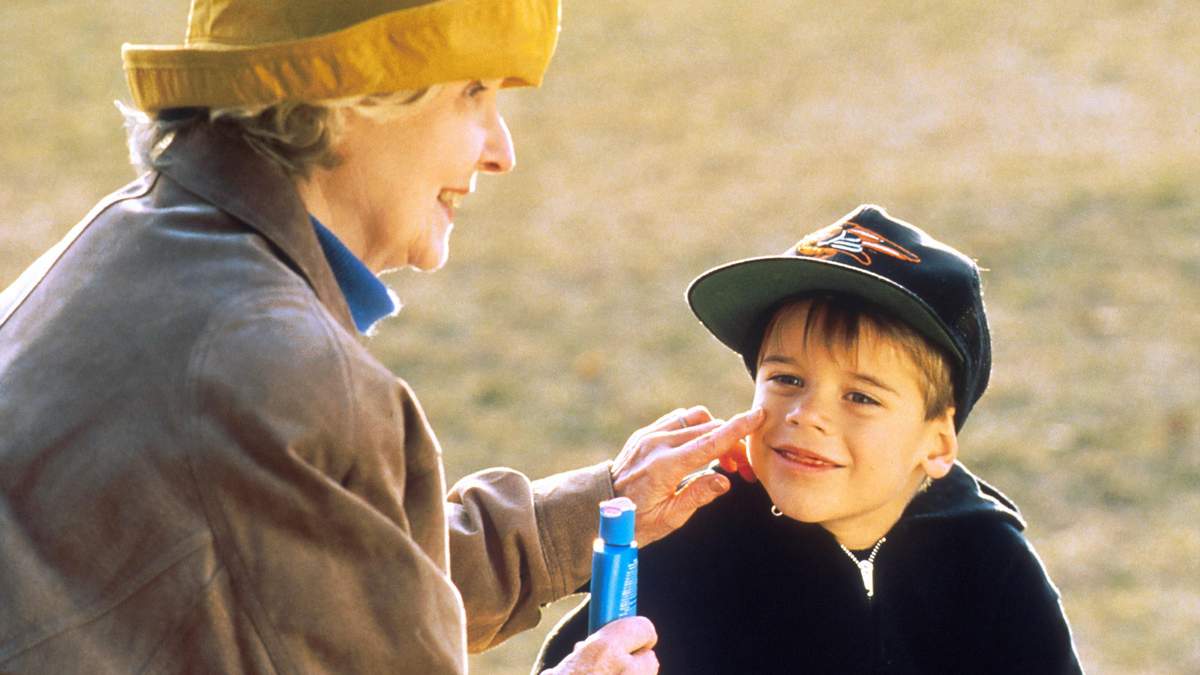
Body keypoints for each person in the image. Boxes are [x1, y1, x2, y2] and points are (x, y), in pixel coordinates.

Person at [0, 1, 763, 672]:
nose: (502, 151)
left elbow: (322, 587)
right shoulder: (287, 367)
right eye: (473, 94)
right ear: (352, 98)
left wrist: (595, 506)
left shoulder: (127, 242)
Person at [538, 205, 1084, 673]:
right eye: (787, 379)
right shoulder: (693, 541)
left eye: (861, 396)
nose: (806, 415)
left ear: (937, 444)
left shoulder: (991, 568)